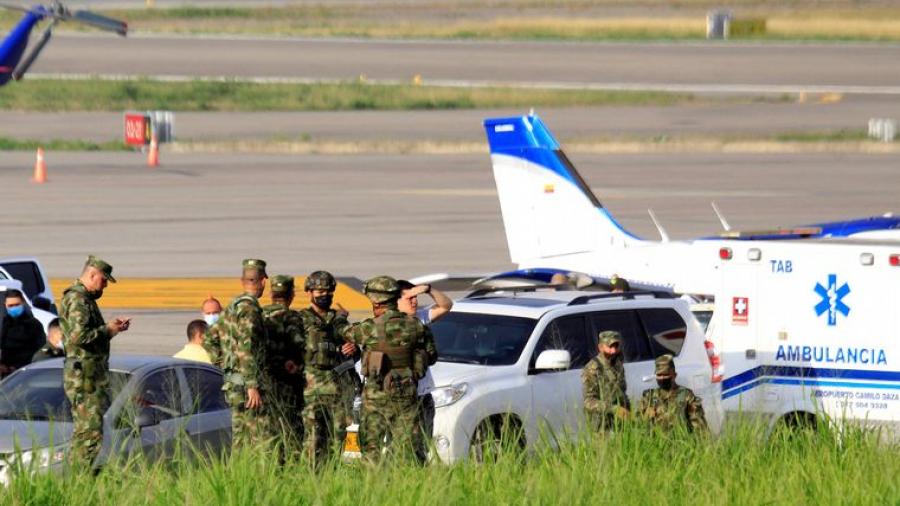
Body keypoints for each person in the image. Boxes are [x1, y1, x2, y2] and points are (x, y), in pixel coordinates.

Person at [344, 276, 437, 461]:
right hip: (406, 395)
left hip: (375, 396)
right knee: (406, 449)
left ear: (375, 301)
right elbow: (432, 356)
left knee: (372, 449)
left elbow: (346, 333)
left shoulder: (369, 328)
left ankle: (373, 485)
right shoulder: (416, 325)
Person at [59, 255, 131, 467]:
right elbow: (78, 337)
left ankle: (76, 476)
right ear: (92, 275)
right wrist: (107, 329)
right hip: (85, 377)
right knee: (89, 433)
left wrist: (111, 330)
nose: (105, 285)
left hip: (89, 375)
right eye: (103, 279)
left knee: (86, 431)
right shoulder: (78, 300)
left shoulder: (83, 299)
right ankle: (78, 477)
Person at [204, 258, 275, 449]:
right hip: (247, 388)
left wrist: (224, 365)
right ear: (262, 281)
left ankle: (238, 475)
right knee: (260, 441)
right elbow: (247, 347)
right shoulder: (250, 309)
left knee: (240, 439)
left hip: (233, 384)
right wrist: (252, 384)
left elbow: (209, 338)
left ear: (242, 281)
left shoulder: (232, 307)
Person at [298, 270, 356, 464]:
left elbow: (355, 355)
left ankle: (334, 478)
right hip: (310, 389)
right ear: (309, 292)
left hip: (336, 389)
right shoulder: (301, 320)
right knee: (312, 440)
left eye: (328, 292)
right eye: (319, 292)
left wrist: (352, 349)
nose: (325, 296)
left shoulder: (339, 321)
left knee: (338, 439)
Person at [261, 274, 306, 451]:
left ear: (271, 294)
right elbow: (300, 345)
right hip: (286, 381)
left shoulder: (259, 314)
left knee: (267, 428)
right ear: (291, 295)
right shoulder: (291, 318)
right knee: (290, 428)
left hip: (263, 379)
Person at [637, 354, 708, 434]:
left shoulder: (687, 396)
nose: (663, 378)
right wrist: (646, 415)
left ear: (674, 375)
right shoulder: (648, 397)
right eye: (659, 375)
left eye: (666, 375)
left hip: (681, 443)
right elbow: (637, 426)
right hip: (655, 444)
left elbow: (700, 428)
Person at [582, 330, 630, 432]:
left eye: (616, 346)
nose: (613, 351)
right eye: (610, 347)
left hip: (621, 424)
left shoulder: (617, 363)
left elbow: (622, 392)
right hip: (603, 426)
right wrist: (613, 409)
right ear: (600, 347)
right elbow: (589, 401)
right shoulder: (593, 368)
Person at [0, 288, 46, 376]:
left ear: (23, 303)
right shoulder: (4, 323)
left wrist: (18, 366)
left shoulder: (34, 324)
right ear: (5, 305)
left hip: (26, 372)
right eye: (10, 305)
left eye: (17, 305)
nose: (14, 308)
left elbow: (41, 350)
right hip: (6, 374)